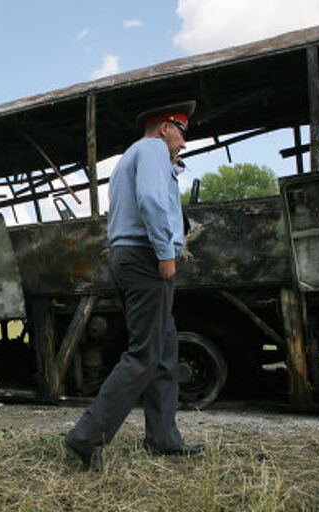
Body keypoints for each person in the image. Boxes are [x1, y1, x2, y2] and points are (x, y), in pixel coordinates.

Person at [64, 101, 204, 471]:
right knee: (144, 353)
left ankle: (163, 437)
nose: (183, 143)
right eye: (181, 132)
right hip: (145, 259)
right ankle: (86, 436)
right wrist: (166, 253)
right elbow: (153, 201)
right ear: (164, 128)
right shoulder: (153, 150)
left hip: (129, 258)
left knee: (163, 348)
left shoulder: (133, 156)